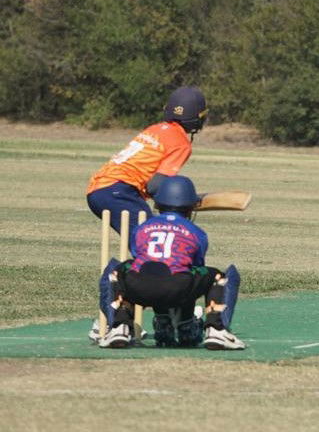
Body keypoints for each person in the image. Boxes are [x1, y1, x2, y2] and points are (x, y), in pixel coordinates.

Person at [86, 86, 208, 342]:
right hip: (121, 192)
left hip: (100, 188)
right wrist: (183, 198)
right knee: (157, 252)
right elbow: (155, 186)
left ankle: (133, 317)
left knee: (152, 253)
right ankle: (113, 322)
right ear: (198, 117)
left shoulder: (156, 129)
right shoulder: (181, 142)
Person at [98, 175, 245, 350]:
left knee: (118, 269)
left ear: (158, 204)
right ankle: (216, 329)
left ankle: (119, 327)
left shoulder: (142, 227)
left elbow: (140, 257)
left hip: (139, 286)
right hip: (177, 286)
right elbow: (193, 266)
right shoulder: (196, 232)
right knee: (218, 276)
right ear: (191, 207)